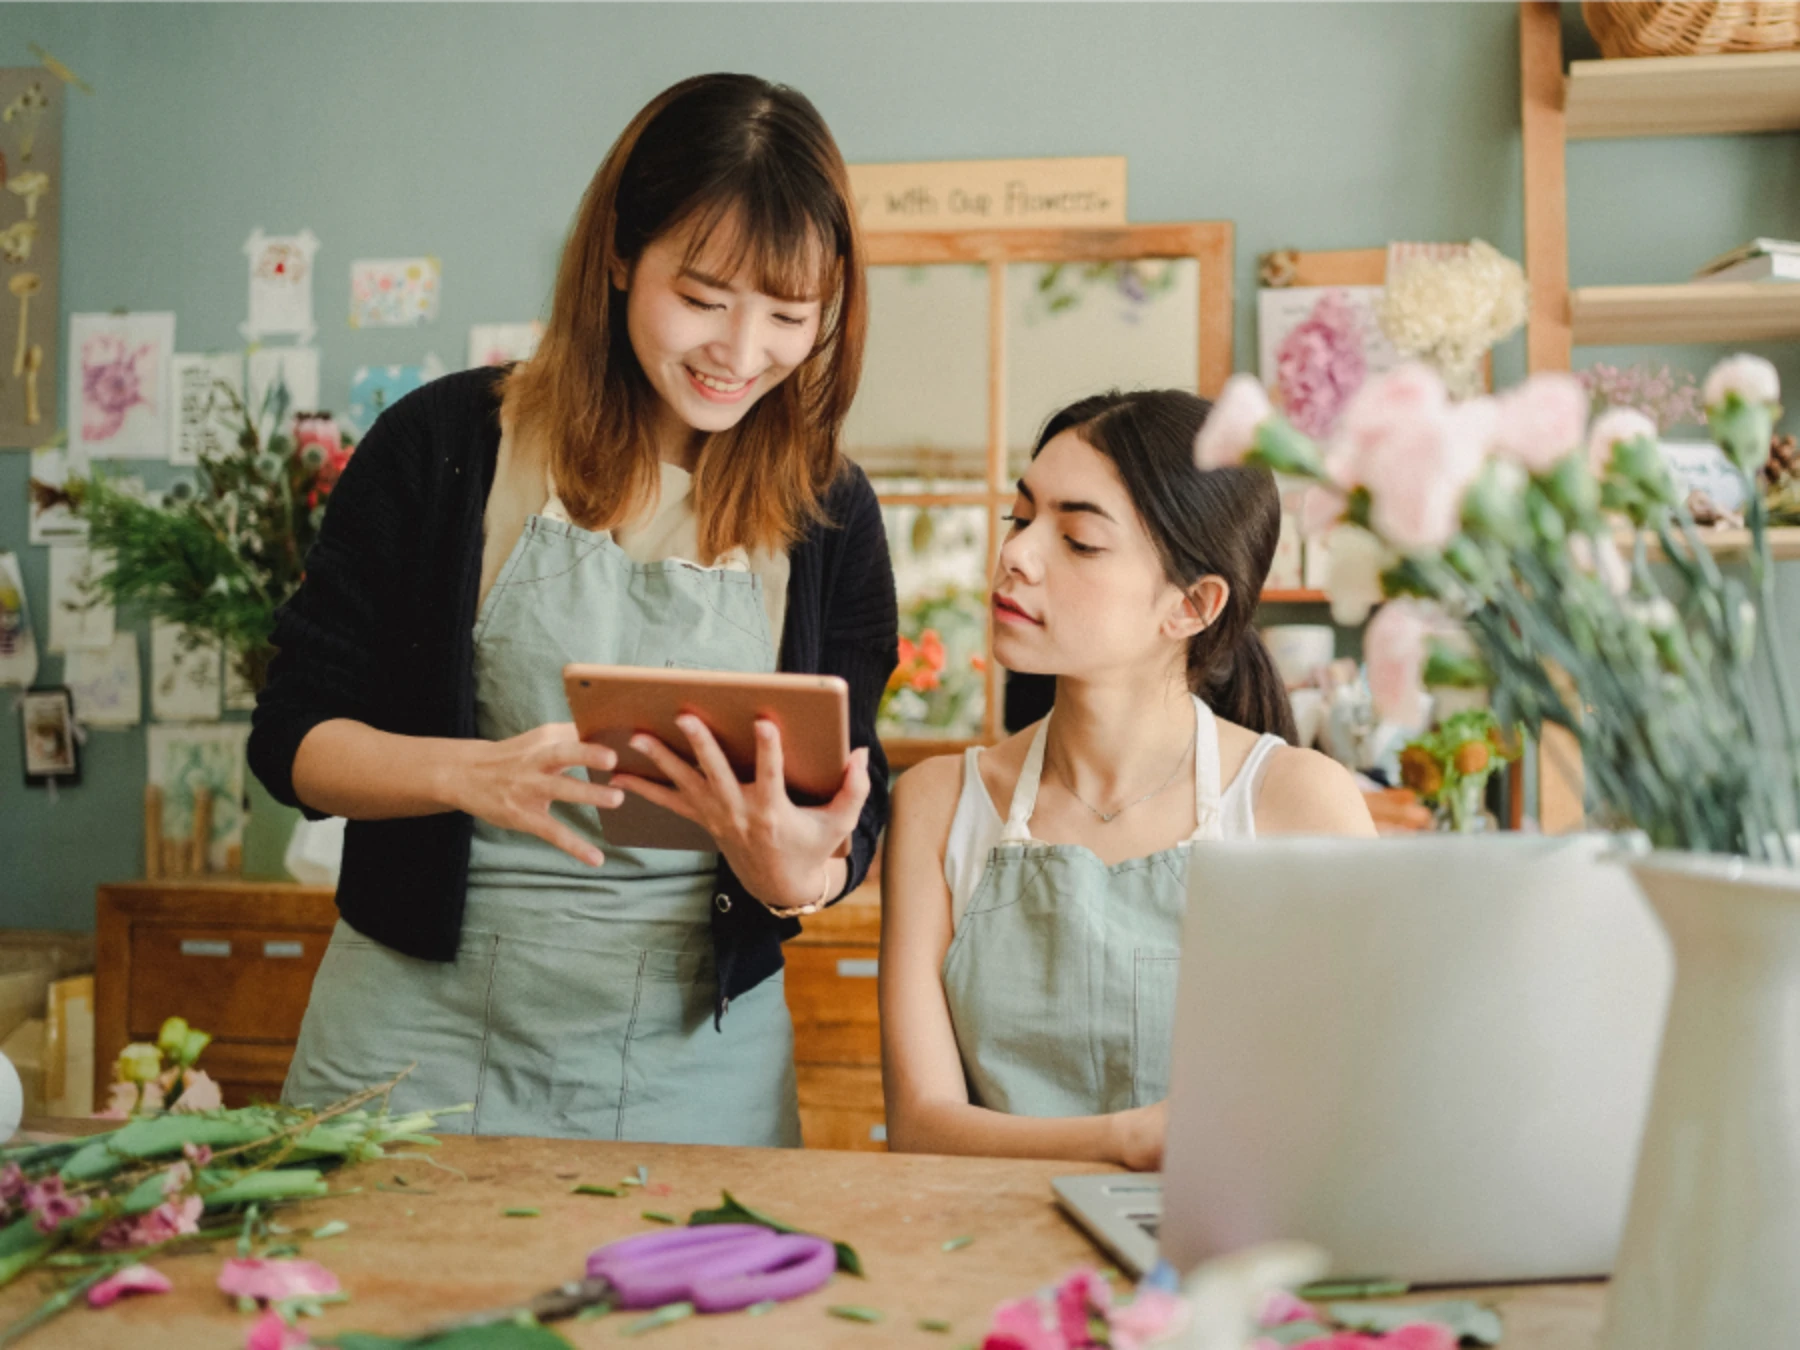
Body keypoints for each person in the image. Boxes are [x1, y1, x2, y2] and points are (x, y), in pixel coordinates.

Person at [249, 74, 898, 1145]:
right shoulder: (443, 445)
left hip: (697, 1055)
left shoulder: (830, 511)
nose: (741, 353)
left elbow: (852, 805)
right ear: (616, 256)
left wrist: (800, 872)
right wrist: (470, 774)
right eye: (701, 297)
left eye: (790, 315)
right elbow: (291, 742)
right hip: (408, 1032)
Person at [879, 389, 1374, 1168]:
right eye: (1021, 517)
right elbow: (921, 1126)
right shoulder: (939, 803)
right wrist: (1129, 1138)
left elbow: (1353, 1104)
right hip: (980, 1261)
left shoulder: (1299, 803)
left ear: (1191, 606)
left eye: (1077, 539)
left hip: (1222, 1263)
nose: (1015, 555)